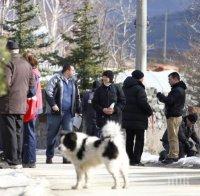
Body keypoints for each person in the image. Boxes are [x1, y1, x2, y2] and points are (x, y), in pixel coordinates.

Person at [0, 40, 35, 169]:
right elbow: (32, 86)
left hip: (7, 104)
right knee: (19, 132)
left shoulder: (7, 63)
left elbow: (5, 84)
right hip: (21, 105)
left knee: (10, 132)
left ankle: (12, 160)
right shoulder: (27, 64)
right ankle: (18, 159)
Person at [45, 63, 81, 164]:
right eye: (73, 70)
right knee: (51, 135)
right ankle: (49, 156)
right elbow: (48, 92)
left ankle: (66, 158)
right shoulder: (56, 79)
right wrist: (53, 105)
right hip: (55, 112)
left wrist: (79, 110)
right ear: (67, 70)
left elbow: (77, 97)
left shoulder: (73, 82)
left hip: (69, 113)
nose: (74, 72)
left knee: (68, 135)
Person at [122, 70, 152, 166]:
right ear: (140, 78)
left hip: (127, 118)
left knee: (129, 140)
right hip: (139, 119)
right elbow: (143, 102)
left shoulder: (124, 88)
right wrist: (149, 111)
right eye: (142, 77)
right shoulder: (139, 89)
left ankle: (129, 159)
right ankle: (136, 160)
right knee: (139, 140)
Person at [157, 72, 187, 164]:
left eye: (170, 79)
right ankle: (173, 155)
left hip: (173, 116)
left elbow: (169, 101)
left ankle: (173, 156)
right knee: (173, 136)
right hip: (176, 115)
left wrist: (160, 96)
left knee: (172, 137)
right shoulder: (179, 89)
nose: (168, 81)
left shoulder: (177, 90)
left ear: (175, 79)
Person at [22, 52, 43, 168]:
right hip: (35, 105)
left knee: (29, 132)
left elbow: (30, 91)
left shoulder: (32, 73)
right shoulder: (36, 72)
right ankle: (29, 159)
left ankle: (29, 160)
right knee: (30, 132)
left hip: (31, 105)